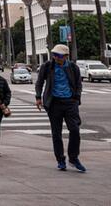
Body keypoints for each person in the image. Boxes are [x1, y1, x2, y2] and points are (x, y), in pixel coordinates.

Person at [35, 44, 85, 172]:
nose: (56, 58)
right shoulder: (47, 66)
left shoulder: (73, 68)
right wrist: (38, 97)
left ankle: (73, 158)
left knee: (74, 130)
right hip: (54, 103)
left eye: (59, 55)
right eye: (54, 55)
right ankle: (60, 160)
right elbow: (39, 82)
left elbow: (79, 84)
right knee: (56, 133)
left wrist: (76, 98)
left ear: (66, 56)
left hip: (70, 102)